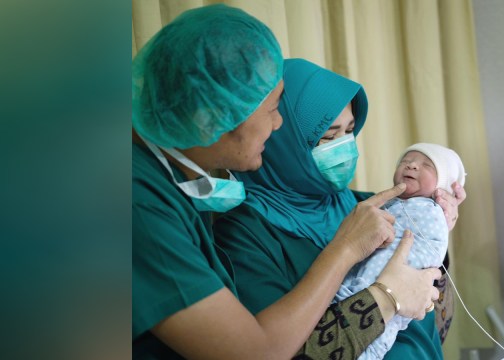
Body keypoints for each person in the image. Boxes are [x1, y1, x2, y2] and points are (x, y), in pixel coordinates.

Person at [132, 5, 442, 359]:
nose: (278, 125)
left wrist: (432, 211)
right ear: (212, 118)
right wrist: (357, 263)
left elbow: (427, 289)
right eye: (272, 110)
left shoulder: (179, 185)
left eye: (350, 132)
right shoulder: (140, 208)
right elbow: (254, 353)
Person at [215, 58, 466, 359]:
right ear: (281, 139)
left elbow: (433, 305)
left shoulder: (370, 203)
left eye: (349, 131)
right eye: (329, 136)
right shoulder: (242, 236)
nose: (345, 147)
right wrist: (387, 297)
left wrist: (435, 222)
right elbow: (278, 351)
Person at [336, 143, 466, 359]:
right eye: (405, 161)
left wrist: (444, 226)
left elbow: (427, 266)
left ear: (443, 185)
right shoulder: (379, 206)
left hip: (394, 320)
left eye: (427, 165)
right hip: (353, 309)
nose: (412, 166)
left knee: (374, 342)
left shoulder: (428, 213)